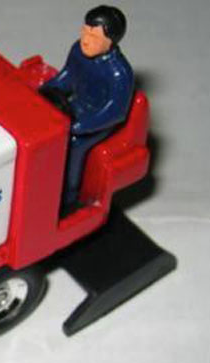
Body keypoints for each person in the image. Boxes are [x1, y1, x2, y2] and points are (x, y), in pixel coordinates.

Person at [40, 5, 134, 214]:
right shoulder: (78, 51)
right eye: (85, 32)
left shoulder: (119, 73)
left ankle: (69, 196)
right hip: (74, 106)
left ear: (110, 41)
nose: (85, 40)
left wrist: (81, 126)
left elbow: (115, 112)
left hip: (97, 120)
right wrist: (46, 90)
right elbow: (66, 76)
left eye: (94, 36)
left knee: (74, 144)